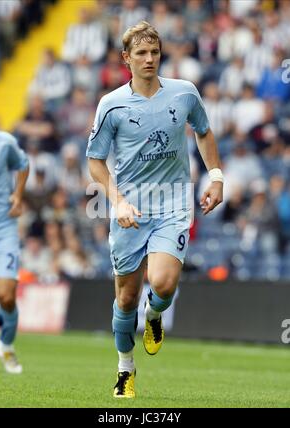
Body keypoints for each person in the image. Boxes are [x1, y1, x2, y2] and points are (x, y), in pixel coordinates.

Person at [87, 21, 223, 398]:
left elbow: (204, 130)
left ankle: (155, 313)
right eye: (142, 53)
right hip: (130, 207)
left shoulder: (184, 93)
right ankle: (125, 368)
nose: (149, 59)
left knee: (162, 283)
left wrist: (216, 176)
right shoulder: (111, 104)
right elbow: (95, 162)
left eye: (155, 52)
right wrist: (117, 201)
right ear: (125, 59)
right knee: (125, 297)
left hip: (174, 201)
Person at [0, 127, 29, 374]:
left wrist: (17, 194)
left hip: (3, 227)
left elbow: (23, 165)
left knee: (6, 294)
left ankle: (5, 344)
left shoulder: (4, 142)